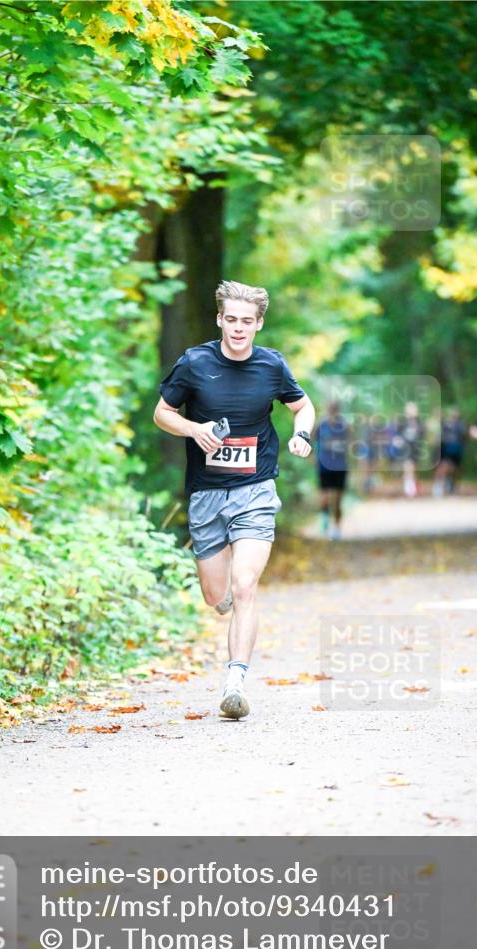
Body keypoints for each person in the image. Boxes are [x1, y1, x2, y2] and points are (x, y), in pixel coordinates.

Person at [153, 280, 315, 720]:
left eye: (248, 321)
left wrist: (302, 433)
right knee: (216, 595)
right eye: (232, 320)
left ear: (259, 324)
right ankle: (222, 602)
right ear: (220, 319)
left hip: (256, 489)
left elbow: (303, 406)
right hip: (207, 493)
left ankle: (235, 683)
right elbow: (162, 413)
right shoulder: (195, 363)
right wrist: (194, 429)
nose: (239, 328)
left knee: (246, 586)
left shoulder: (271, 366)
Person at [315, 400, 349, 540]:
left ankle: (335, 527)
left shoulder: (344, 426)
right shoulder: (321, 425)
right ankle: (325, 519)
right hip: (325, 465)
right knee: (326, 496)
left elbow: (351, 444)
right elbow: (311, 438)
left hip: (340, 466)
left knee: (337, 499)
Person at [390, 401, 425, 498]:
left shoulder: (419, 422)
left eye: (413, 409)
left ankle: (412, 487)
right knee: (408, 467)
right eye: (409, 409)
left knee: (413, 469)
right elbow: (398, 435)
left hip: (416, 449)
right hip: (405, 449)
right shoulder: (403, 422)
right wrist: (398, 442)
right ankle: (409, 491)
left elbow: (422, 434)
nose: (411, 411)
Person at [433, 408, 466, 496]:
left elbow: (464, 437)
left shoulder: (461, 425)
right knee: (444, 467)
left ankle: (452, 486)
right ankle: (441, 486)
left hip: (457, 451)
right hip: (446, 450)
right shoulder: (445, 424)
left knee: (455, 470)